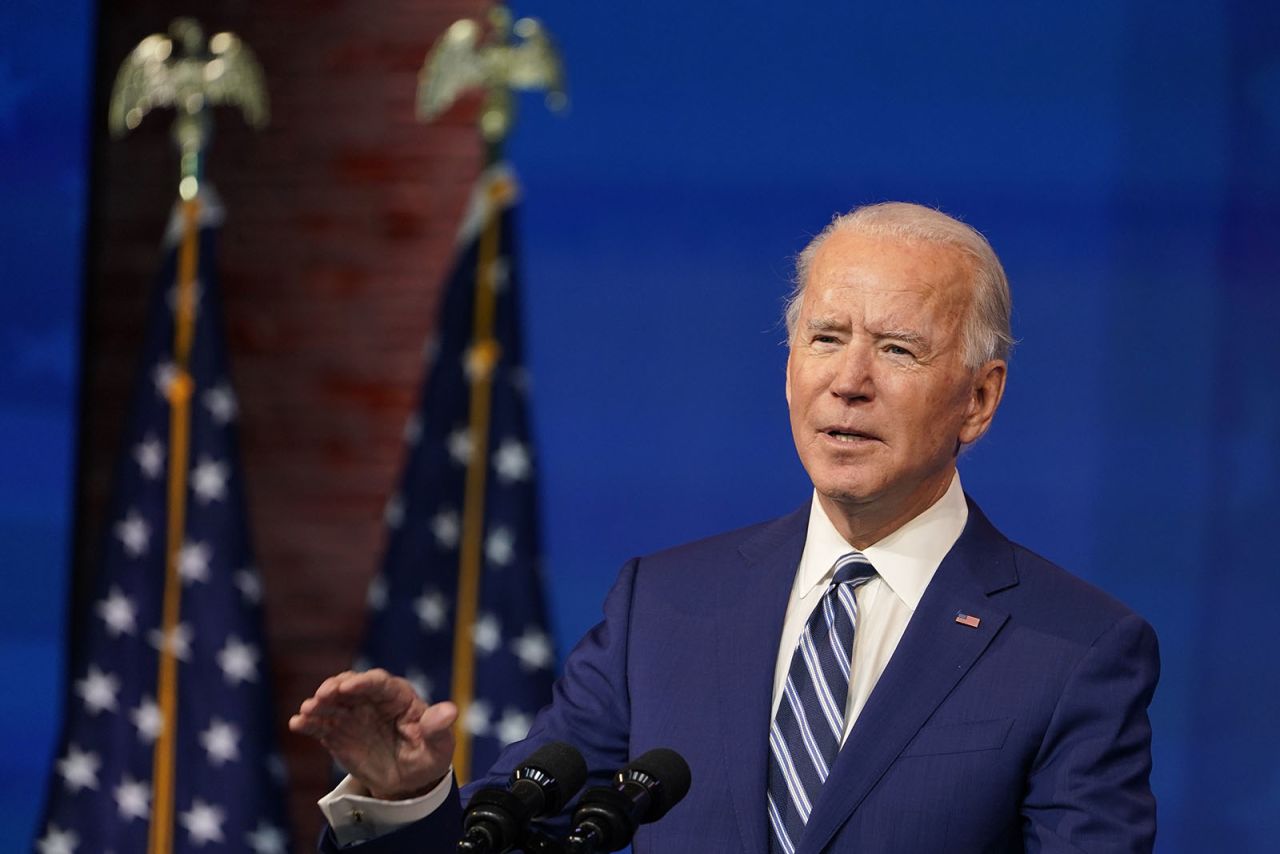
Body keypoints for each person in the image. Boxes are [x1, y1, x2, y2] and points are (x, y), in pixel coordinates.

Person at [291, 202, 1159, 853]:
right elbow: (511, 834)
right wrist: (404, 794)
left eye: (897, 349)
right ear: (789, 367)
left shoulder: (1075, 651)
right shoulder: (663, 608)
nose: (848, 381)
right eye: (825, 337)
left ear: (979, 397)